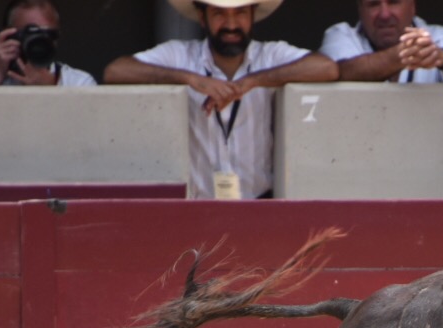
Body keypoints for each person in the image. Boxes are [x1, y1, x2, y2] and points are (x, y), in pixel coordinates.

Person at [105, 0, 338, 200]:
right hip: (197, 208)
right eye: (219, 13)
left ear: (252, 15)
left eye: (240, 13)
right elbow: (115, 71)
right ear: (202, 17)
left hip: (259, 205)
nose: (231, 24)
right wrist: (191, 79)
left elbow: (327, 68)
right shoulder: (180, 56)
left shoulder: (269, 55)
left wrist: (250, 82)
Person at [320, 0, 443, 82]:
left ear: (412, 6)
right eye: (373, 4)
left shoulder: (442, 37)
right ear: (360, 10)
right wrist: (408, 51)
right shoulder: (340, 35)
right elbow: (341, 73)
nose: (384, 14)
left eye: (394, 2)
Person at [0, 0, 97, 87]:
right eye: (27, 34)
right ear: (7, 35)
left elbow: (86, 128)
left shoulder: (79, 83)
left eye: (46, 34)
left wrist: (50, 89)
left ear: (57, 38)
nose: (36, 41)